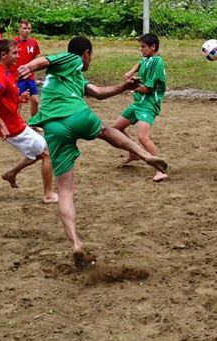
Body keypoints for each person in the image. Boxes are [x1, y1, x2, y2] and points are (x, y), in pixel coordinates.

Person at [17, 36, 168, 269]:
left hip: (53, 129)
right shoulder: (71, 58)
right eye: (91, 55)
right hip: (77, 115)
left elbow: (98, 92)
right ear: (85, 53)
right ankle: (146, 155)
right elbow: (44, 60)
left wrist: (123, 87)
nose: (89, 60)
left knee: (65, 191)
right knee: (106, 131)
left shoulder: (71, 77)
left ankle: (76, 243)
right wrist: (29, 65)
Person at [0, 38, 57, 204]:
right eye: (14, 53)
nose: (18, 56)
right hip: (13, 128)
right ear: (3, 55)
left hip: (16, 124)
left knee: (37, 153)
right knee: (47, 154)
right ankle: (48, 194)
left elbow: (2, 99)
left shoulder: (7, 71)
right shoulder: (0, 75)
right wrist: (2, 125)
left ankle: (11, 173)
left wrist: (19, 99)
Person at [111, 33, 168, 182]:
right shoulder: (147, 59)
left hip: (148, 105)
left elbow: (147, 89)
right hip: (138, 103)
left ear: (153, 47)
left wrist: (130, 86)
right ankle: (134, 153)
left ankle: (160, 170)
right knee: (116, 128)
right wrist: (131, 71)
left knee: (143, 137)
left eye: (143, 47)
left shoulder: (156, 62)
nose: (141, 50)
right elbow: (140, 62)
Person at [13, 19, 42, 117]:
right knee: (19, 102)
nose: (26, 31)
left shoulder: (33, 43)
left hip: (30, 77)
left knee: (35, 101)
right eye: (24, 28)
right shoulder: (13, 43)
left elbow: (36, 59)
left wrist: (32, 69)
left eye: (29, 28)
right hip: (18, 78)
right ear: (19, 29)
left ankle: (34, 123)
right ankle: (15, 126)